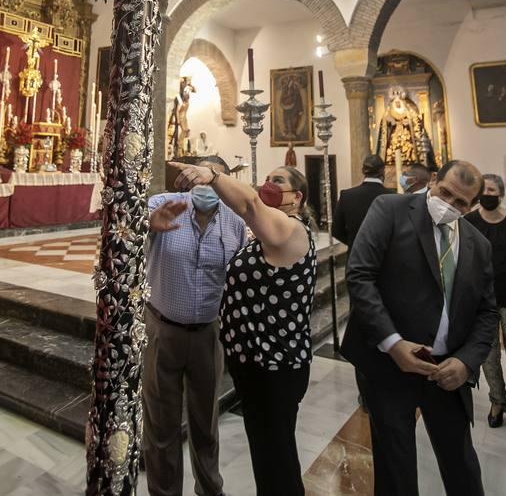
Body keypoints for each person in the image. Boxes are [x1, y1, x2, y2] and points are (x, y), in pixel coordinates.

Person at [341, 160, 497, 496]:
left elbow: (487, 312)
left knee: (462, 464)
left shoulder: (478, 244)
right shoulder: (390, 209)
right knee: (396, 468)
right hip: (390, 364)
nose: (449, 204)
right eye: (445, 193)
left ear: (471, 206)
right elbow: (360, 274)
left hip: (447, 369)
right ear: (434, 180)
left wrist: (467, 361)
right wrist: (393, 342)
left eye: (461, 202)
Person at [171, 161, 317, 496]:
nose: (267, 184)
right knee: (267, 455)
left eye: (277, 180)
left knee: (276, 459)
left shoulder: (290, 229)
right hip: (254, 364)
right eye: (266, 178)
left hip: (275, 366)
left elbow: (250, 204)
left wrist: (213, 176)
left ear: (296, 197)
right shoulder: (268, 231)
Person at [142, 154, 247, 496]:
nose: (205, 185)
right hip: (163, 330)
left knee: (206, 422)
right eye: (200, 177)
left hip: (207, 334)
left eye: (213, 178)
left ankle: (210, 489)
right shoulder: (163, 204)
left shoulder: (234, 221)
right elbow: (121, 228)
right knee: (162, 425)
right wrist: (147, 225)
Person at [463, 173, 506, 428]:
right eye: (483, 191)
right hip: (482, 300)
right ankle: (497, 401)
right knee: (488, 354)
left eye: (491, 191)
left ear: (502, 193)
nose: (487, 195)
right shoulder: (469, 221)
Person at [332, 154, 394, 248]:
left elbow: (336, 231)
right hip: (384, 253)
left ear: (363, 171)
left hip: (356, 253)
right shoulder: (393, 197)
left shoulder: (347, 195)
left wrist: (354, 243)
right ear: (382, 171)